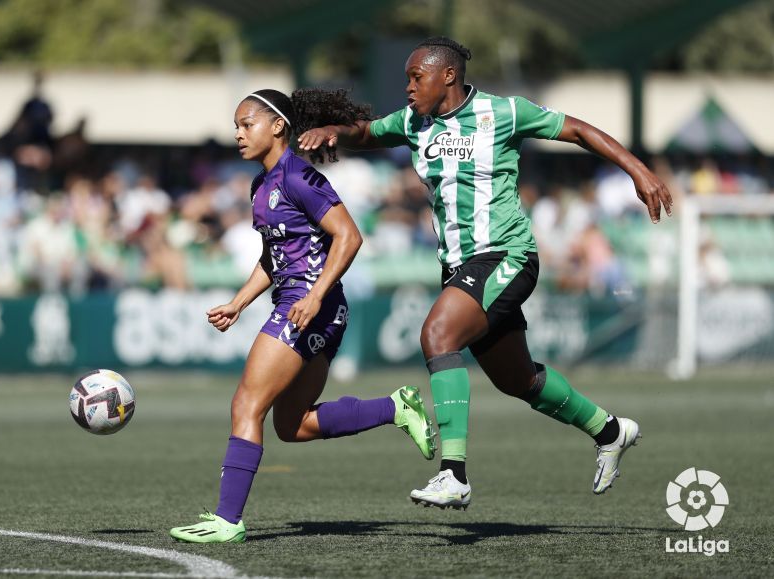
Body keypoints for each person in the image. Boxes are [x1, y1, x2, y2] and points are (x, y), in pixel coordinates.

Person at [299, 37, 673, 510]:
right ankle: (612, 430)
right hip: (458, 265)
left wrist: (638, 171)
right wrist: (335, 128)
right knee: (518, 380)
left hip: (506, 255)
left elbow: (577, 130)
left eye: (417, 77)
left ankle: (453, 474)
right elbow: (369, 132)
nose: (409, 88)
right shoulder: (416, 122)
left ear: (448, 76)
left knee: (438, 335)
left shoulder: (505, 112)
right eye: (408, 79)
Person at [168, 89, 436, 543]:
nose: (238, 134)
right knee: (291, 426)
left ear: (277, 126)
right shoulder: (261, 185)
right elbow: (274, 257)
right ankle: (395, 407)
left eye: (246, 123)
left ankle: (227, 520)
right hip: (305, 306)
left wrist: (314, 295)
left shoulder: (297, 176)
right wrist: (239, 301)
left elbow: (348, 237)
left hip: (311, 308)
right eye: (236, 125)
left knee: (245, 405)